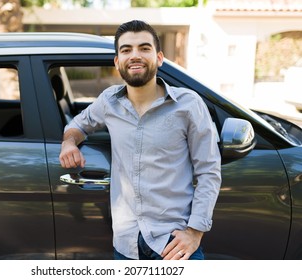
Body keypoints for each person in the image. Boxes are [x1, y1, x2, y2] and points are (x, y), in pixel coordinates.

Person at [59, 20, 221, 260]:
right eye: (126, 50)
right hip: (126, 244)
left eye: (144, 48)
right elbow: (78, 125)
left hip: (174, 243)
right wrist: (69, 143)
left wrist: (195, 231)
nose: (135, 55)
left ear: (159, 57)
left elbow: (208, 170)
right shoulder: (108, 102)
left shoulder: (189, 104)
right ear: (117, 62)